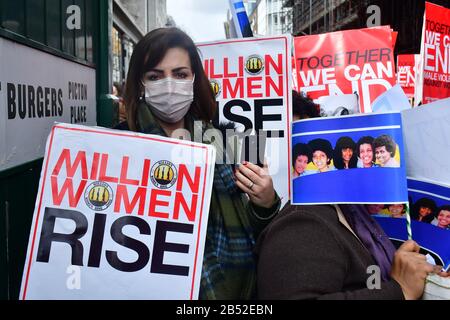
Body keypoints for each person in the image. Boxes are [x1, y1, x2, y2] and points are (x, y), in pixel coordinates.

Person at [117, 27, 281, 299]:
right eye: (155, 76)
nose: (169, 85)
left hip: (239, 291)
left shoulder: (230, 143)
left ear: (194, 79)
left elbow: (261, 232)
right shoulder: (115, 147)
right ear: (140, 83)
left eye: (180, 74)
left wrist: (265, 203)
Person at [255, 203, 447, 299]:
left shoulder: (355, 214)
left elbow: (369, 277)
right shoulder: (304, 223)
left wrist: (430, 276)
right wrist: (399, 291)